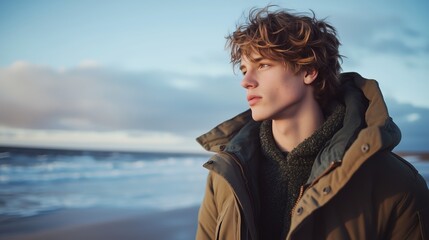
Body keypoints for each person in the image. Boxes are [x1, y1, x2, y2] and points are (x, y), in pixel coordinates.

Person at [195, 6, 429, 240]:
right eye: (244, 69)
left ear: (308, 70)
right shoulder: (226, 176)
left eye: (263, 64)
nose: (246, 81)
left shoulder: (395, 182)